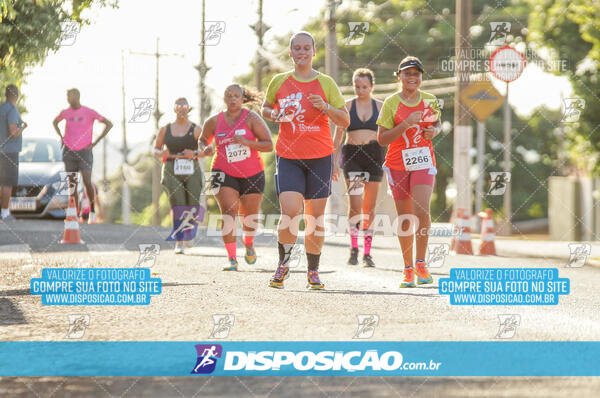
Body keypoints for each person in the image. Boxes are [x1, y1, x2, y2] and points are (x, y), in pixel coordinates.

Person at [262, 31, 349, 289]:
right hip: (288, 156)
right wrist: (274, 114)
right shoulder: (279, 81)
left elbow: (344, 120)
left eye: (306, 48)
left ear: (313, 51)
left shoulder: (326, 83)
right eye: (296, 48)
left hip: (319, 157)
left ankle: (313, 270)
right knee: (290, 211)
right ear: (290, 52)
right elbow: (265, 108)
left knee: (314, 217)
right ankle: (284, 264)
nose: (301, 52)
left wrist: (326, 107)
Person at [376, 56, 442, 288]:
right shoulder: (391, 103)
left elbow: (436, 124)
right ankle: (407, 269)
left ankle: (421, 262)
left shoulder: (429, 100)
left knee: (421, 210)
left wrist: (433, 131)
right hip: (397, 164)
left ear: (421, 77)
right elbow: (382, 139)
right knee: (405, 218)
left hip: (423, 160)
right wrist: (405, 124)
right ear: (399, 76)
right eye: (407, 73)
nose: (412, 77)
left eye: (416, 74)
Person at [200, 84, 273, 271]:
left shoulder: (251, 118)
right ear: (224, 98)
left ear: (242, 99)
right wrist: (205, 148)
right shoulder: (214, 121)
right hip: (221, 172)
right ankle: (232, 258)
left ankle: (248, 242)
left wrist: (247, 142)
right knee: (228, 214)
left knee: (250, 217)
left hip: (252, 173)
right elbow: (202, 140)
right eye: (229, 95)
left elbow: (268, 145)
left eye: (236, 96)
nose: (233, 99)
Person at [333, 68, 383, 267]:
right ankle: (354, 248)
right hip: (353, 155)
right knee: (355, 203)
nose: (360, 90)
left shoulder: (381, 106)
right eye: (357, 86)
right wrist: (333, 164)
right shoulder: (346, 106)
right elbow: (338, 137)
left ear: (372, 86)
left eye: (364, 86)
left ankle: (367, 253)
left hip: (374, 156)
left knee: (369, 207)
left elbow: (389, 132)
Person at [154, 98, 206, 254]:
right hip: (171, 168)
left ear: (188, 108)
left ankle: (188, 232)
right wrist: (161, 153)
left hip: (191, 169)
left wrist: (195, 153)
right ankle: (179, 241)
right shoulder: (165, 129)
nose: (182, 109)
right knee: (178, 204)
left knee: (193, 205)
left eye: (184, 106)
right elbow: (155, 149)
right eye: (178, 106)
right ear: (174, 108)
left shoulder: (197, 129)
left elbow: (208, 150)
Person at [52, 88, 113, 224]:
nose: (68, 99)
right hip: (69, 151)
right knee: (71, 183)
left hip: (85, 152)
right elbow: (55, 122)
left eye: (70, 96)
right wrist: (61, 136)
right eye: (67, 96)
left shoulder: (89, 112)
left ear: (77, 97)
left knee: (87, 181)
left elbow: (109, 124)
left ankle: (92, 211)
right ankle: (74, 214)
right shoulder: (65, 112)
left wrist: (95, 143)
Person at [0, 85, 27, 221]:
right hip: (9, 152)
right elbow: (13, 132)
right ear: (16, 95)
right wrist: (22, 127)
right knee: (7, 183)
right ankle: (5, 213)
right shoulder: (12, 110)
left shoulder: (1, 108)